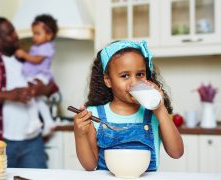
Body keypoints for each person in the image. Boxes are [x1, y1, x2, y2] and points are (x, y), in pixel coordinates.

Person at [73, 40, 184, 171]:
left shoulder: (155, 113)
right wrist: (80, 134)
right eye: (125, 76)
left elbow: (176, 153)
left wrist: (160, 110)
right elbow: (90, 165)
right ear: (108, 80)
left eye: (140, 74)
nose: (134, 82)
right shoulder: (94, 114)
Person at [0, 17, 56, 168]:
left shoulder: (26, 59)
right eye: (9, 33)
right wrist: (9, 95)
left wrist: (40, 89)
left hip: (33, 142)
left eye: (14, 31)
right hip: (0, 143)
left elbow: (51, 86)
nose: (15, 36)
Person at [15, 14, 59, 137]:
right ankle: (49, 122)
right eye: (34, 33)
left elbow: (36, 60)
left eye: (37, 33)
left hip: (40, 76)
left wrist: (23, 54)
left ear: (49, 35)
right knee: (38, 99)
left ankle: (34, 120)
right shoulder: (38, 46)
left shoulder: (47, 46)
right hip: (35, 75)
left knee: (28, 94)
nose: (34, 36)